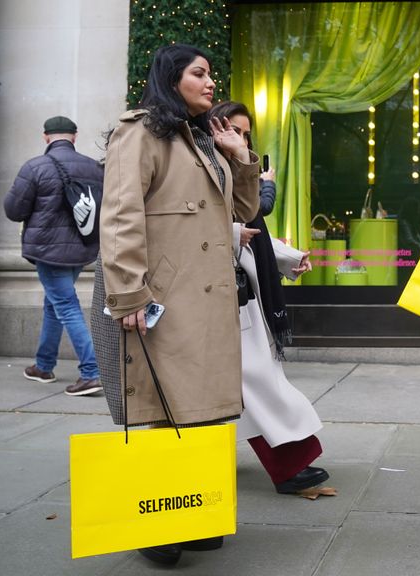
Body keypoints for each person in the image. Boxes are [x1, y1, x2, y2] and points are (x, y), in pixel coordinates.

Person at [99, 44, 260, 566]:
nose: (211, 83)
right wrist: (128, 291)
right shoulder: (140, 132)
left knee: (202, 410)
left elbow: (240, 211)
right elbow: (121, 216)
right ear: (172, 79)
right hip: (162, 298)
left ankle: (195, 512)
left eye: (211, 73)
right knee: (163, 407)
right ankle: (156, 524)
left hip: (207, 298)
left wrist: (240, 160)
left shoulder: (203, 138)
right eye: (199, 74)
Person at [210, 101, 331, 495]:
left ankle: (284, 462)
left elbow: (252, 228)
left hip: (240, 295)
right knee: (255, 381)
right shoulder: (208, 170)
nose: (240, 139)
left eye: (246, 133)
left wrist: (289, 257)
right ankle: (290, 464)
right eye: (234, 130)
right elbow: (190, 228)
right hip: (215, 299)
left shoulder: (231, 170)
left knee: (251, 383)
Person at [3, 116, 103, 397]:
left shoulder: (35, 166)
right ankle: (43, 366)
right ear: (75, 136)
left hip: (48, 250)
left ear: (46, 136)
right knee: (55, 303)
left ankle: (91, 372)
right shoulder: (94, 168)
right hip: (81, 250)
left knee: (66, 305)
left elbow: (14, 210)